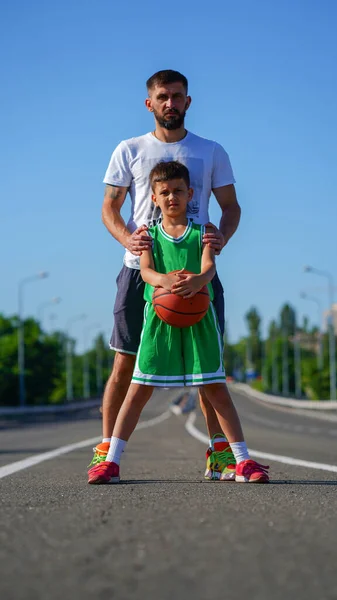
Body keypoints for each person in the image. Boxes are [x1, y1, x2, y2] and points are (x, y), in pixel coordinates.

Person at [88, 69, 241, 482]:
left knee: (207, 369)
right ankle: (106, 452)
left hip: (197, 272)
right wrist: (129, 240)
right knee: (124, 364)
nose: (170, 103)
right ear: (149, 103)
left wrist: (221, 238)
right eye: (162, 96)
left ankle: (221, 453)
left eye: (177, 96)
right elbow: (109, 207)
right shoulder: (130, 149)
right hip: (142, 273)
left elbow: (231, 207)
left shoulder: (211, 151)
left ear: (188, 102)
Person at [88, 161, 269, 485]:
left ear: (191, 194)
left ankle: (242, 460)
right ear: (154, 198)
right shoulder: (148, 236)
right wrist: (165, 281)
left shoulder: (203, 233)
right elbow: (145, 272)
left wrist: (199, 280)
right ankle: (111, 461)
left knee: (215, 386)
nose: (172, 197)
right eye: (165, 192)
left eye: (178, 191)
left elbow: (209, 268)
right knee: (139, 387)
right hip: (159, 320)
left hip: (200, 317)